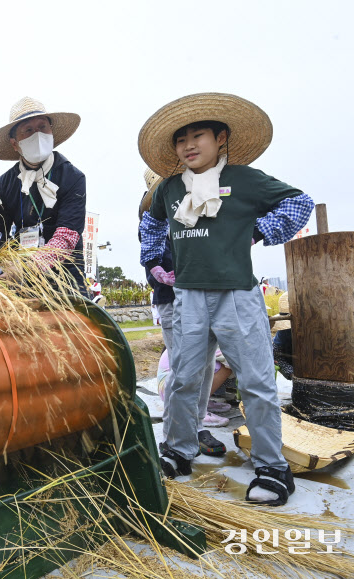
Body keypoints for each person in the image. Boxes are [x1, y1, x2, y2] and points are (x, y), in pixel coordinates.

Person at [138, 92, 314, 506]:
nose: (188, 146)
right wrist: (153, 261)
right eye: (181, 140)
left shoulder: (247, 179)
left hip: (236, 293)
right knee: (184, 379)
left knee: (255, 380)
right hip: (187, 297)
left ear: (221, 139)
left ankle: (272, 467)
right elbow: (151, 222)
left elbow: (299, 202)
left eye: (198, 136)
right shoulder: (168, 189)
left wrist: (259, 231)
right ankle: (179, 452)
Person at [140, 168, 227, 454]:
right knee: (182, 366)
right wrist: (166, 276)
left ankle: (198, 425)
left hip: (202, 294)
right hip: (171, 298)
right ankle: (176, 432)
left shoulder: (196, 210)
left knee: (202, 365)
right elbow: (151, 264)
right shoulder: (151, 223)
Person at [0, 97, 88, 297]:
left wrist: (27, 267)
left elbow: (66, 237)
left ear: (52, 132)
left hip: (67, 279)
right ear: (15, 144)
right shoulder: (6, 182)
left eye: (43, 127)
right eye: (29, 130)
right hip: (23, 283)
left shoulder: (72, 177)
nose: (38, 135)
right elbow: (2, 233)